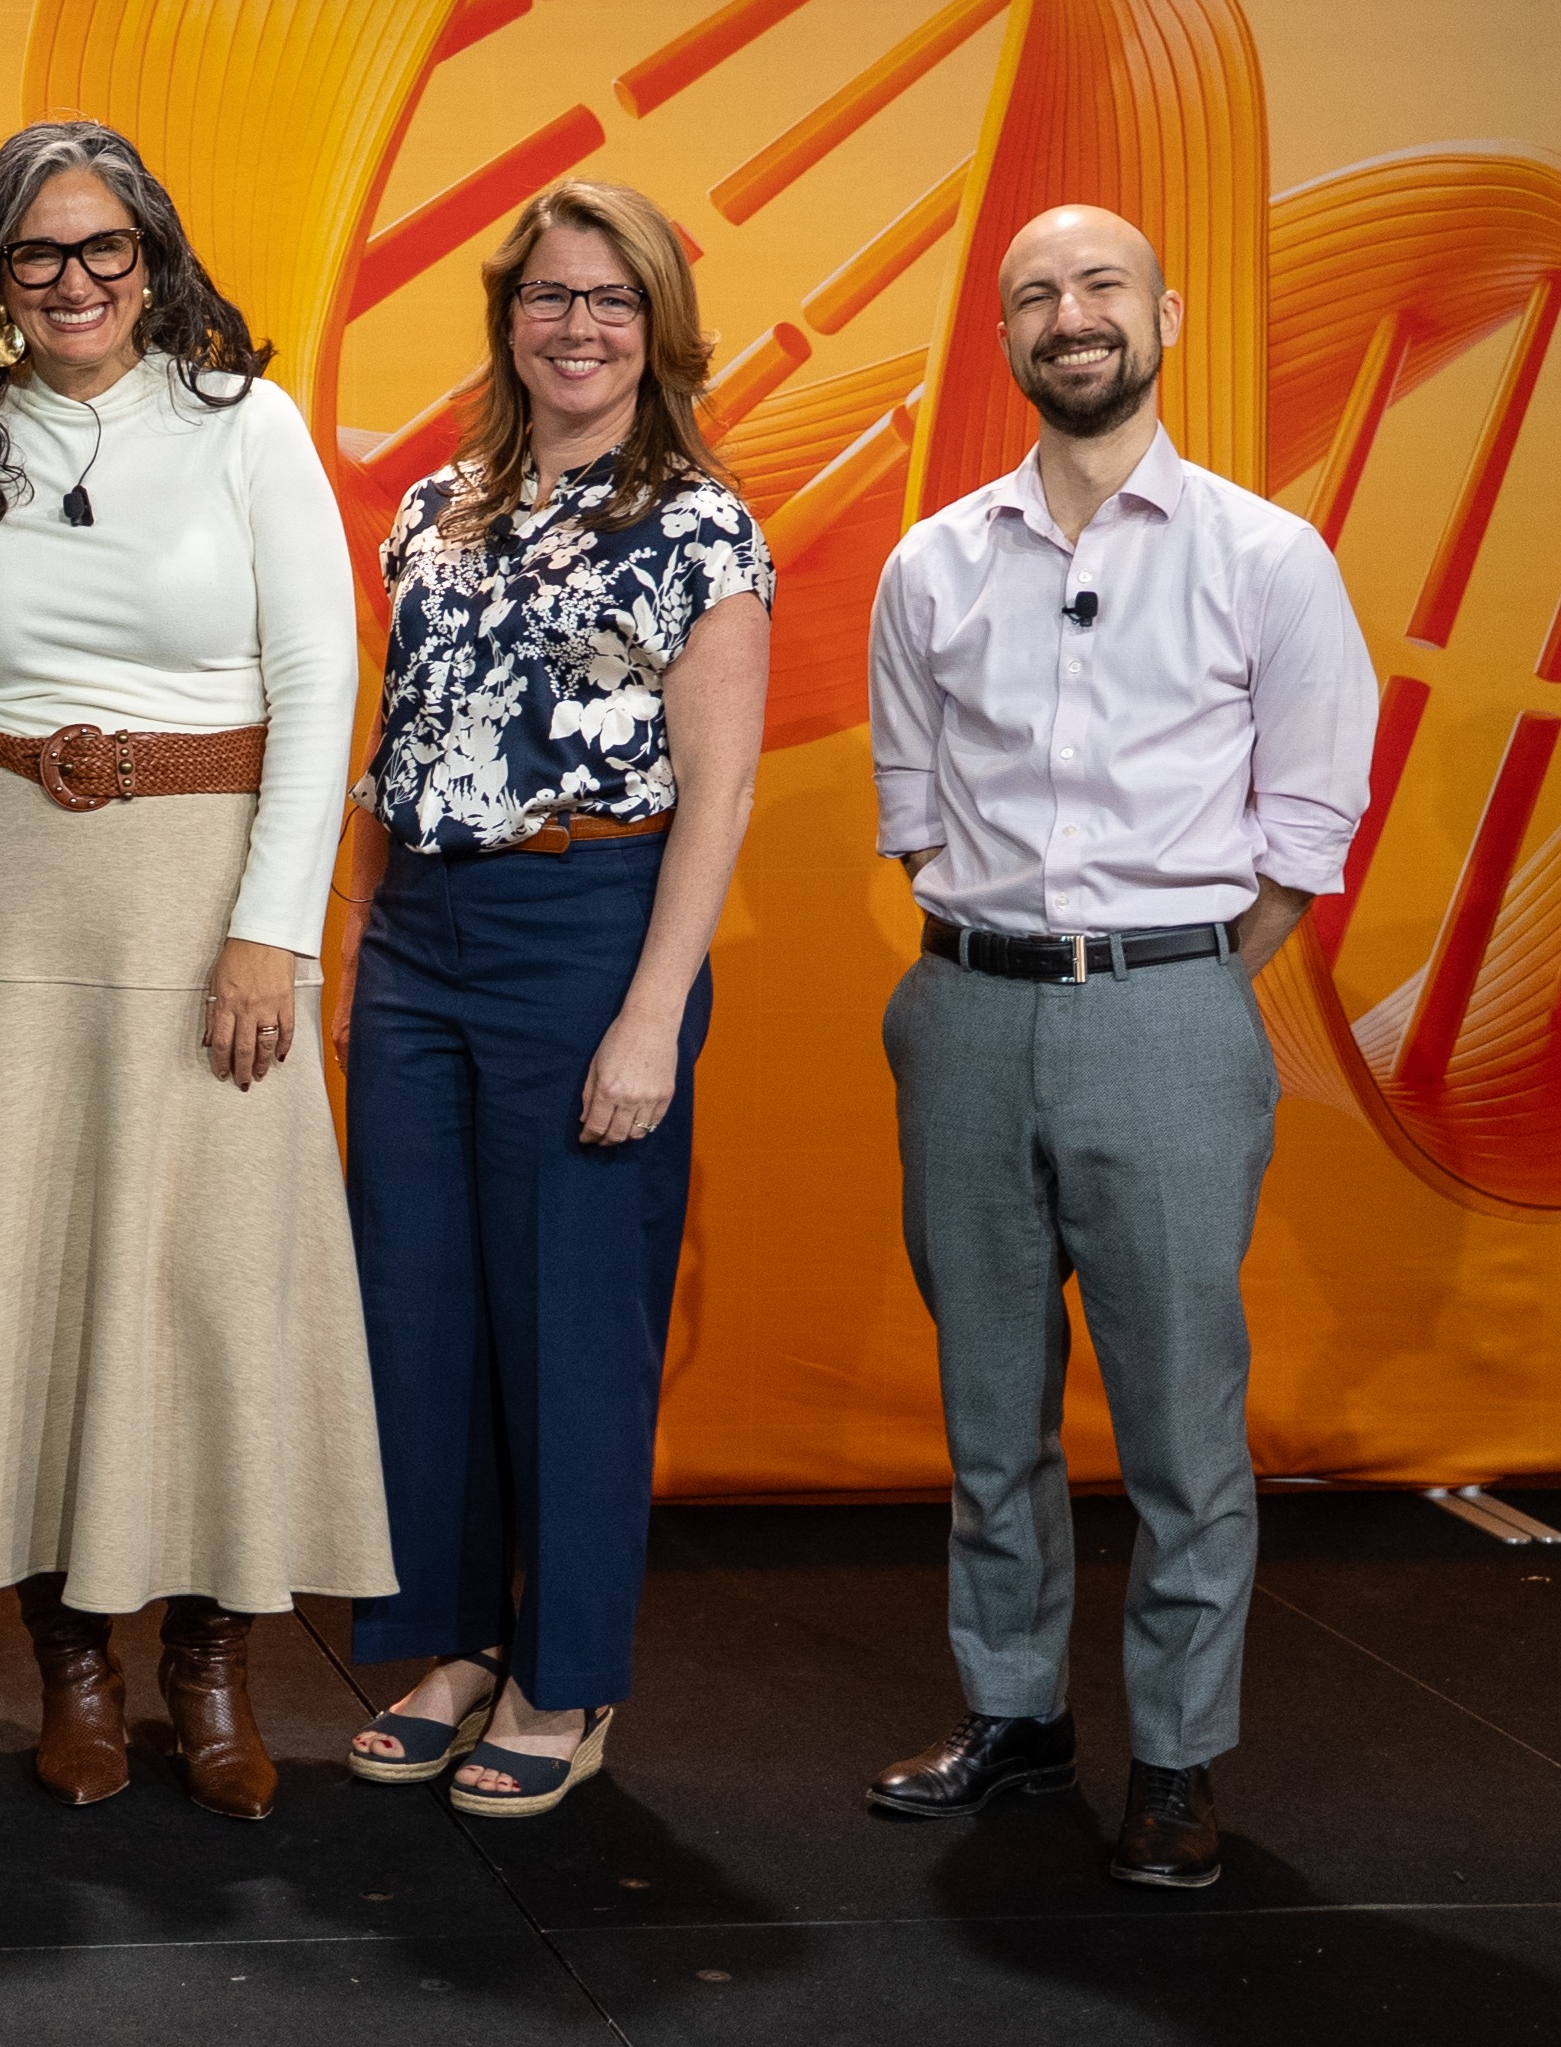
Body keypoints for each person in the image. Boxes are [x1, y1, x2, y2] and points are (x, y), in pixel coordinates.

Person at [0, 122, 396, 1821]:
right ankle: (71, 1667)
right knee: (27, 1289)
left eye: (104, 252)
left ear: (158, 261)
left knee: (210, 1288)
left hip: (204, 906)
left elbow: (314, 690)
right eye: (37, 257)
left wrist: (270, 933)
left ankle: (212, 1670)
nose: (73, 284)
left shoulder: (244, 428)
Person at [860, 204, 1375, 1889]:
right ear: (1002, 336)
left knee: (1176, 1423)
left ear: (1165, 311)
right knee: (989, 1408)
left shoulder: (1268, 559)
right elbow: (915, 814)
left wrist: (1166, 977)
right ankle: (1015, 1715)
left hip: (1168, 1011)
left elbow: (1304, 835)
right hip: (963, 1010)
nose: (1069, 317)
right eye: (1034, 296)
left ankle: (1175, 1756)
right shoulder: (930, 564)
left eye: (1099, 289)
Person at [338, 179, 772, 1820]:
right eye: (548, 297)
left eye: (610, 299)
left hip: (594, 931)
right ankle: (447, 1645)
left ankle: (564, 1673)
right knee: (422, 1307)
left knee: (573, 1325)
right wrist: (360, 955)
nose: (576, 327)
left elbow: (718, 798)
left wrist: (653, 1013)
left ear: (654, 326)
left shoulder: (701, 525)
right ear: (507, 317)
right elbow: (403, 753)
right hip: (423, 941)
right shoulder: (434, 510)